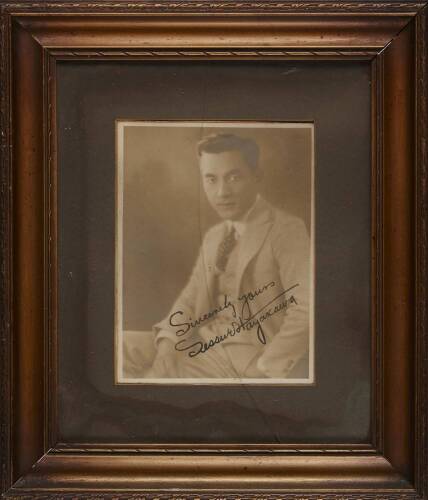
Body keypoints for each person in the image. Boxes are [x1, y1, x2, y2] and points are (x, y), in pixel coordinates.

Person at [145, 132, 310, 379]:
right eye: (211, 179)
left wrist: (267, 368)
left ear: (257, 176)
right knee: (121, 347)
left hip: (247, 360)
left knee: (146, 383)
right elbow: (189, 300)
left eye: (234, 177)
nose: (222, 192)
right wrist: (167, 345)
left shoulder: (286, 229)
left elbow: (307, 308)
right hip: (201, 342)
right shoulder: (214, 236)